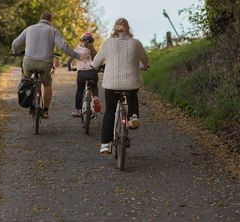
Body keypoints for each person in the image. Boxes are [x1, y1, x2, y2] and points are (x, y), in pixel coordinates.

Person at [12, 12, 88, 118]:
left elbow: (15, 44)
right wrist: (77, 56)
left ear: (40, 19)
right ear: (50, 21)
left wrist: (16, 52)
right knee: (47, 85)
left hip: (29, 62)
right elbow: (63, 46)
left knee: (26, 80)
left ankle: (28, 99)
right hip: (45, 63)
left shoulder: (29, 28)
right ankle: (45, 111)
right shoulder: (52, 30)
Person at [91, 18, 149, 154]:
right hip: (131, 83)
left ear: (114, 29)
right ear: (129, 28)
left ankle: (105, 144)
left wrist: (93, 66)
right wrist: (144, 66)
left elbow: (97, 60)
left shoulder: (109, 43)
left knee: (110, 112)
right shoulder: (136, 43)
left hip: (112, 85)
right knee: (132, 94)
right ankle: (133, 116)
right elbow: (145, 60)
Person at [66, 32, 101, 117]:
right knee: (94, 86)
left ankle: (78, 110)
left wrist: (70, 68)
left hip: (81, 73)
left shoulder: (77, 49)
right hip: (92, 72)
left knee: (80, 90)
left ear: (81, 40)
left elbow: (69, 61)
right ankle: (95, 98)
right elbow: (98, 61)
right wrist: (99, 68)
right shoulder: (92, 50)